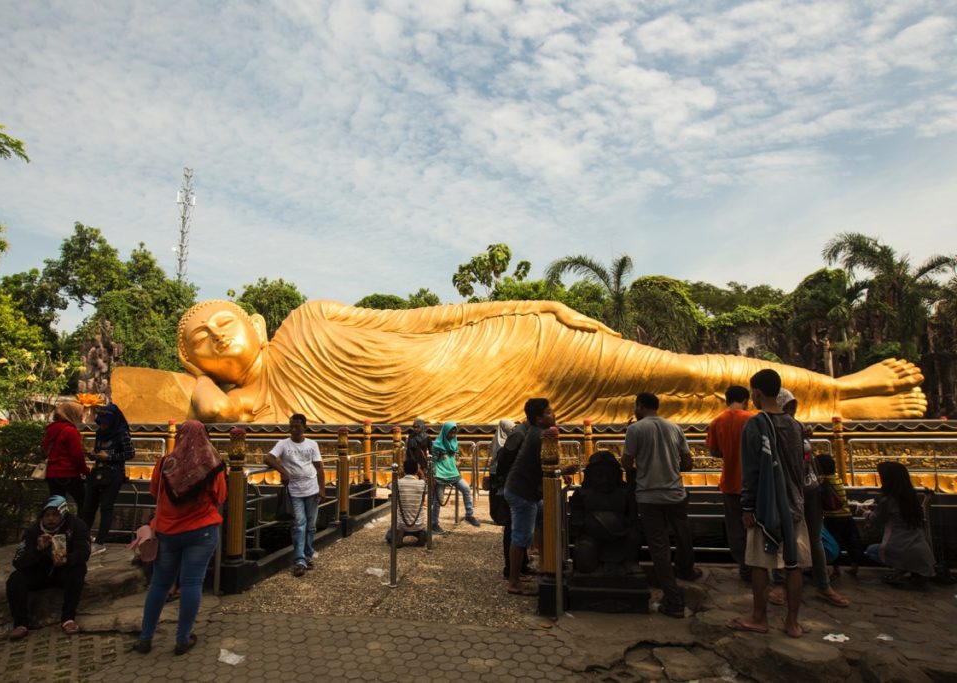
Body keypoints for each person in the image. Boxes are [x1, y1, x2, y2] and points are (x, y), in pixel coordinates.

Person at [114, 299, 928, 424]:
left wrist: (535, 309)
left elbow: (421, 316)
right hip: (494, 406)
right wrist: (196, 389)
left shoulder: (308, 318)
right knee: (677, 396)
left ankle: (842, 391)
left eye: (220, 325)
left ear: (251, 318)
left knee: (687, 368)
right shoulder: (251, 407)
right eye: (198, 347)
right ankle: (844, 407)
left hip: (514, 346)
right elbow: (185, 407)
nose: (214, 343)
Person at [728, 369, 811, 638]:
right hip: (794, 504)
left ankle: (759, 617)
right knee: (793, 564)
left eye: (752, 392)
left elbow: (751, 470)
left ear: (757, 393)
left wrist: (748, 506)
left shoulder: (755, 424)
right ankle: (792, 622)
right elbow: (800, 467)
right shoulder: (796, 426)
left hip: (765, 505)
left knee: (760, 563)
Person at [134, 420, 226, 655]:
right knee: (192, 583)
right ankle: (182, 639)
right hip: (201, 531)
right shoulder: (211, 465)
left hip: (168, 532)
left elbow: (155, 492)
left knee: (159, 584)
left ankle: (145, 638)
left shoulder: (165, 464)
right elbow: (221, 496)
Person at [621, 392, 698, 618]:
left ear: (640, 406)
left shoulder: (635, 429)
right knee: (683, 533)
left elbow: (627, 462)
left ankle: (673, 599)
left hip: (649, 496)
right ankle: (687, 571)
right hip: (675, 492)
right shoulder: (674, 428)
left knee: (659, 548)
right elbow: (687, 461)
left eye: (635, 406)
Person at [772, 390, 849, 608]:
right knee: (781, 538)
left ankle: (823, 584)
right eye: (788, 407)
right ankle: (780, 584)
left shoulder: (798, 428)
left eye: (793, 407)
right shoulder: (771, 428)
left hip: (809, 488)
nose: (791, 411)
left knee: (814, 538)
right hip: (785, 490)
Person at [7, 496, 90, 639]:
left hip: (64, 571)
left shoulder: (77, 525)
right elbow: (18, 562)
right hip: (40, 572)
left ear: (63, 514)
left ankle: (68, 619)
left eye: (55, 515)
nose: (51, 519)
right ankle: (21, 624)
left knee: (79, 570)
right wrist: (38, 549)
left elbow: (84, 552)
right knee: (15, 579)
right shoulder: (34, 530)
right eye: (47, 515)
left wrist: (67, 559)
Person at [504, 398, 555, 597]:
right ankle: (513, 582)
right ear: (538, 418)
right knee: (521, 536)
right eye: (549, 412)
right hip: (521, 492)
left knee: (542, 516)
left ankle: (544, 563)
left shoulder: (538, 433)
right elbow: (543, 466)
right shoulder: (539, 436)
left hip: (527, 491)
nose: (554, 415)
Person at [264, 413, 325, 578]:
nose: (293, 428)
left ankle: (307, 554)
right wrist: (282, 471)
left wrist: (322, 488)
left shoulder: (312, 444)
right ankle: (299, 560)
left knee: (311, 525)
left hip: (312, 489)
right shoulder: (283, 444)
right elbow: (268, 458)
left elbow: (319, 467)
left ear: (305, 427)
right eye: (291, 425)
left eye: (297, 425)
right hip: (295, 491)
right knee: (299, 524)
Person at [705, 385, 752, 581]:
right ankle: (761, 565)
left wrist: (729, 449)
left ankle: (745, 565)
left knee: (735, 527)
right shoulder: (754, 419)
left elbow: (714, 451)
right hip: (754, 483)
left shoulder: (717, 421)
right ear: (747, 399)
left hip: (731, 483)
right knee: (757, 525)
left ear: (726, 400)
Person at [864, 461, 935, 587]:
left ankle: (902, 568)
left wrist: (865, 512)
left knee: (870, 551)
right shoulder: (912, 497)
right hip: (922, 551)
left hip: (899, 547)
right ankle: (908, 569)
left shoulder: (888, 500)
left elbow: (875, 518)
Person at [80, 404, 135, 554]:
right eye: (101, 422)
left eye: (106, 422)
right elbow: (99, 450)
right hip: (97, 472)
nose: (103, 425)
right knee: (88, 507)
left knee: (106, 507)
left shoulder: (122, 434)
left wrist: (110, 457)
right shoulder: (99, 433)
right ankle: (83, 538)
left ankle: (100, 541)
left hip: (113, 474)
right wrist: (94, 454)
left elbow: (130, 454)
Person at [492, 421, 530, 580]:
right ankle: (512, 570)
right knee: (515, 529)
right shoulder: (519, 435)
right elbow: (503, 463)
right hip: (514, 488)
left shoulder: (525, 434)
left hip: (521, 487)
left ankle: (522, 565)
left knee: (523, 529)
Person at [816, 455, 863, 578]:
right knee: (851, 541)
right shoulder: (837, 479)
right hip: (846, 515)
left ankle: (836, 568)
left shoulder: (823, 481)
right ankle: (854, 565)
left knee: (835, 542)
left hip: (832, 517)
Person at [429, 421, 479, 532]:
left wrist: (457, 462)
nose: (452, 435)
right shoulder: (437, 445)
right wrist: (434, 475)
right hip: (440, 474)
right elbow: (433, 461)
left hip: (453, 473)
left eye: (453, 433)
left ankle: (469, 514)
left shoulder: (454, 443)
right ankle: (434, 523)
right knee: (438, 500)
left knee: (466, 488)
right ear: (445, 432)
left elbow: (456, 457)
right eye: (450, 433)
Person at [43, 402, 91, 513]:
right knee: (83, 503)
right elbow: (76, 455)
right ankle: (78, 528)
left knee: (57, 505)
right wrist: (85, 471)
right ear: (72, 414)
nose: (81, 416)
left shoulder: (51, 429)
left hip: (52, 474)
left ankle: (56, 527)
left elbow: (45, 448)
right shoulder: (70, 431)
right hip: (68, 474)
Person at [385, 458, 427, 547]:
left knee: (388, 535)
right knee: (428, 533)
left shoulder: (398, 483)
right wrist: (421, 472)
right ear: (416, 470)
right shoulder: (421, 484)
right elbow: (425, 481)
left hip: (401, 525)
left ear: (404, 470)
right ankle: (420, 535)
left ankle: (399, 535)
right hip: (418, 524)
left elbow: (388, 485)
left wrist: (399, 475)